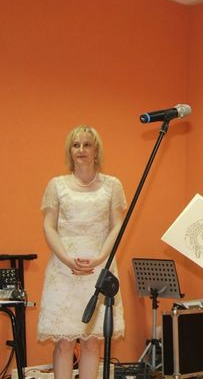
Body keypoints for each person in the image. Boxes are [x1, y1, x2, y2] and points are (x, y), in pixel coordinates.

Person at [37, 125, 127, 379]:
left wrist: (101, 258)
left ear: (96, 150)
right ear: (70, 151)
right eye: (76, 145)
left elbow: (117, 225)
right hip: (64, 269)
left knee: (91, 341)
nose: (81, 150)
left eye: (87, 144)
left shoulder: (112, 185)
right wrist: (66, 259)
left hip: (99, 267)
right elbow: (49, 226)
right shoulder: (57, 185)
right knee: (64, 342)